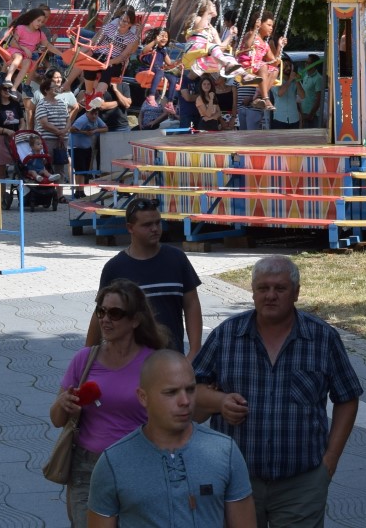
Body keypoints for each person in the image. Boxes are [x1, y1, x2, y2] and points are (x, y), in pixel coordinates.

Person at [192, 255, 362, 528]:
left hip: (301, 482)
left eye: (280, 288)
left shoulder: (321, 338)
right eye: (263, 288)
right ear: (253, 291)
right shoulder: (227, 335)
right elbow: (190, 390)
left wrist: (330, 460)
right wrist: (219, 400)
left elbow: (348, 398)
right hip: (236, 479)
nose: (270, 295)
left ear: (296, 293)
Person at [89, 350, 255, 528]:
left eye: (190, 390)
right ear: (143, 397)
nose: (185, 400)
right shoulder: (113, 462)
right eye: (171, 392)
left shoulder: (225, 451)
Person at [53, 279, 169, 528]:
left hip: (138, 464)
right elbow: (56, 419)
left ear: (135, 320)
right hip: (87, 467)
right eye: (101, 311)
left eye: (115, 313)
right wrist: (64, 404)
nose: (105, 319)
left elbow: (169, 420)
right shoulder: (85, 359)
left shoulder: (154, 363)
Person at [92, 198, 203, 359]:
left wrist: (195, 350)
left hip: (169, 359)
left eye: (158, 223)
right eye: (147, 225)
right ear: (130, 228)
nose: (155, 229)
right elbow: (100, 314)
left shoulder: (177, 259)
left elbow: (192, 303)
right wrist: (88, 358)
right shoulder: (115, 267)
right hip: (126, 363)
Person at [0, 6, 51, 87]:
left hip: (32, 51)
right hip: (19, 48)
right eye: (41, 18)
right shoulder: (24, 26)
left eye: (47, 17)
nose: (44, 20)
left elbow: (48, 45)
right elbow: (13, 40)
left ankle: (26, 85)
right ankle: (3, 73)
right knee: (16, 56)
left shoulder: (45, 31)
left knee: (34, 63)